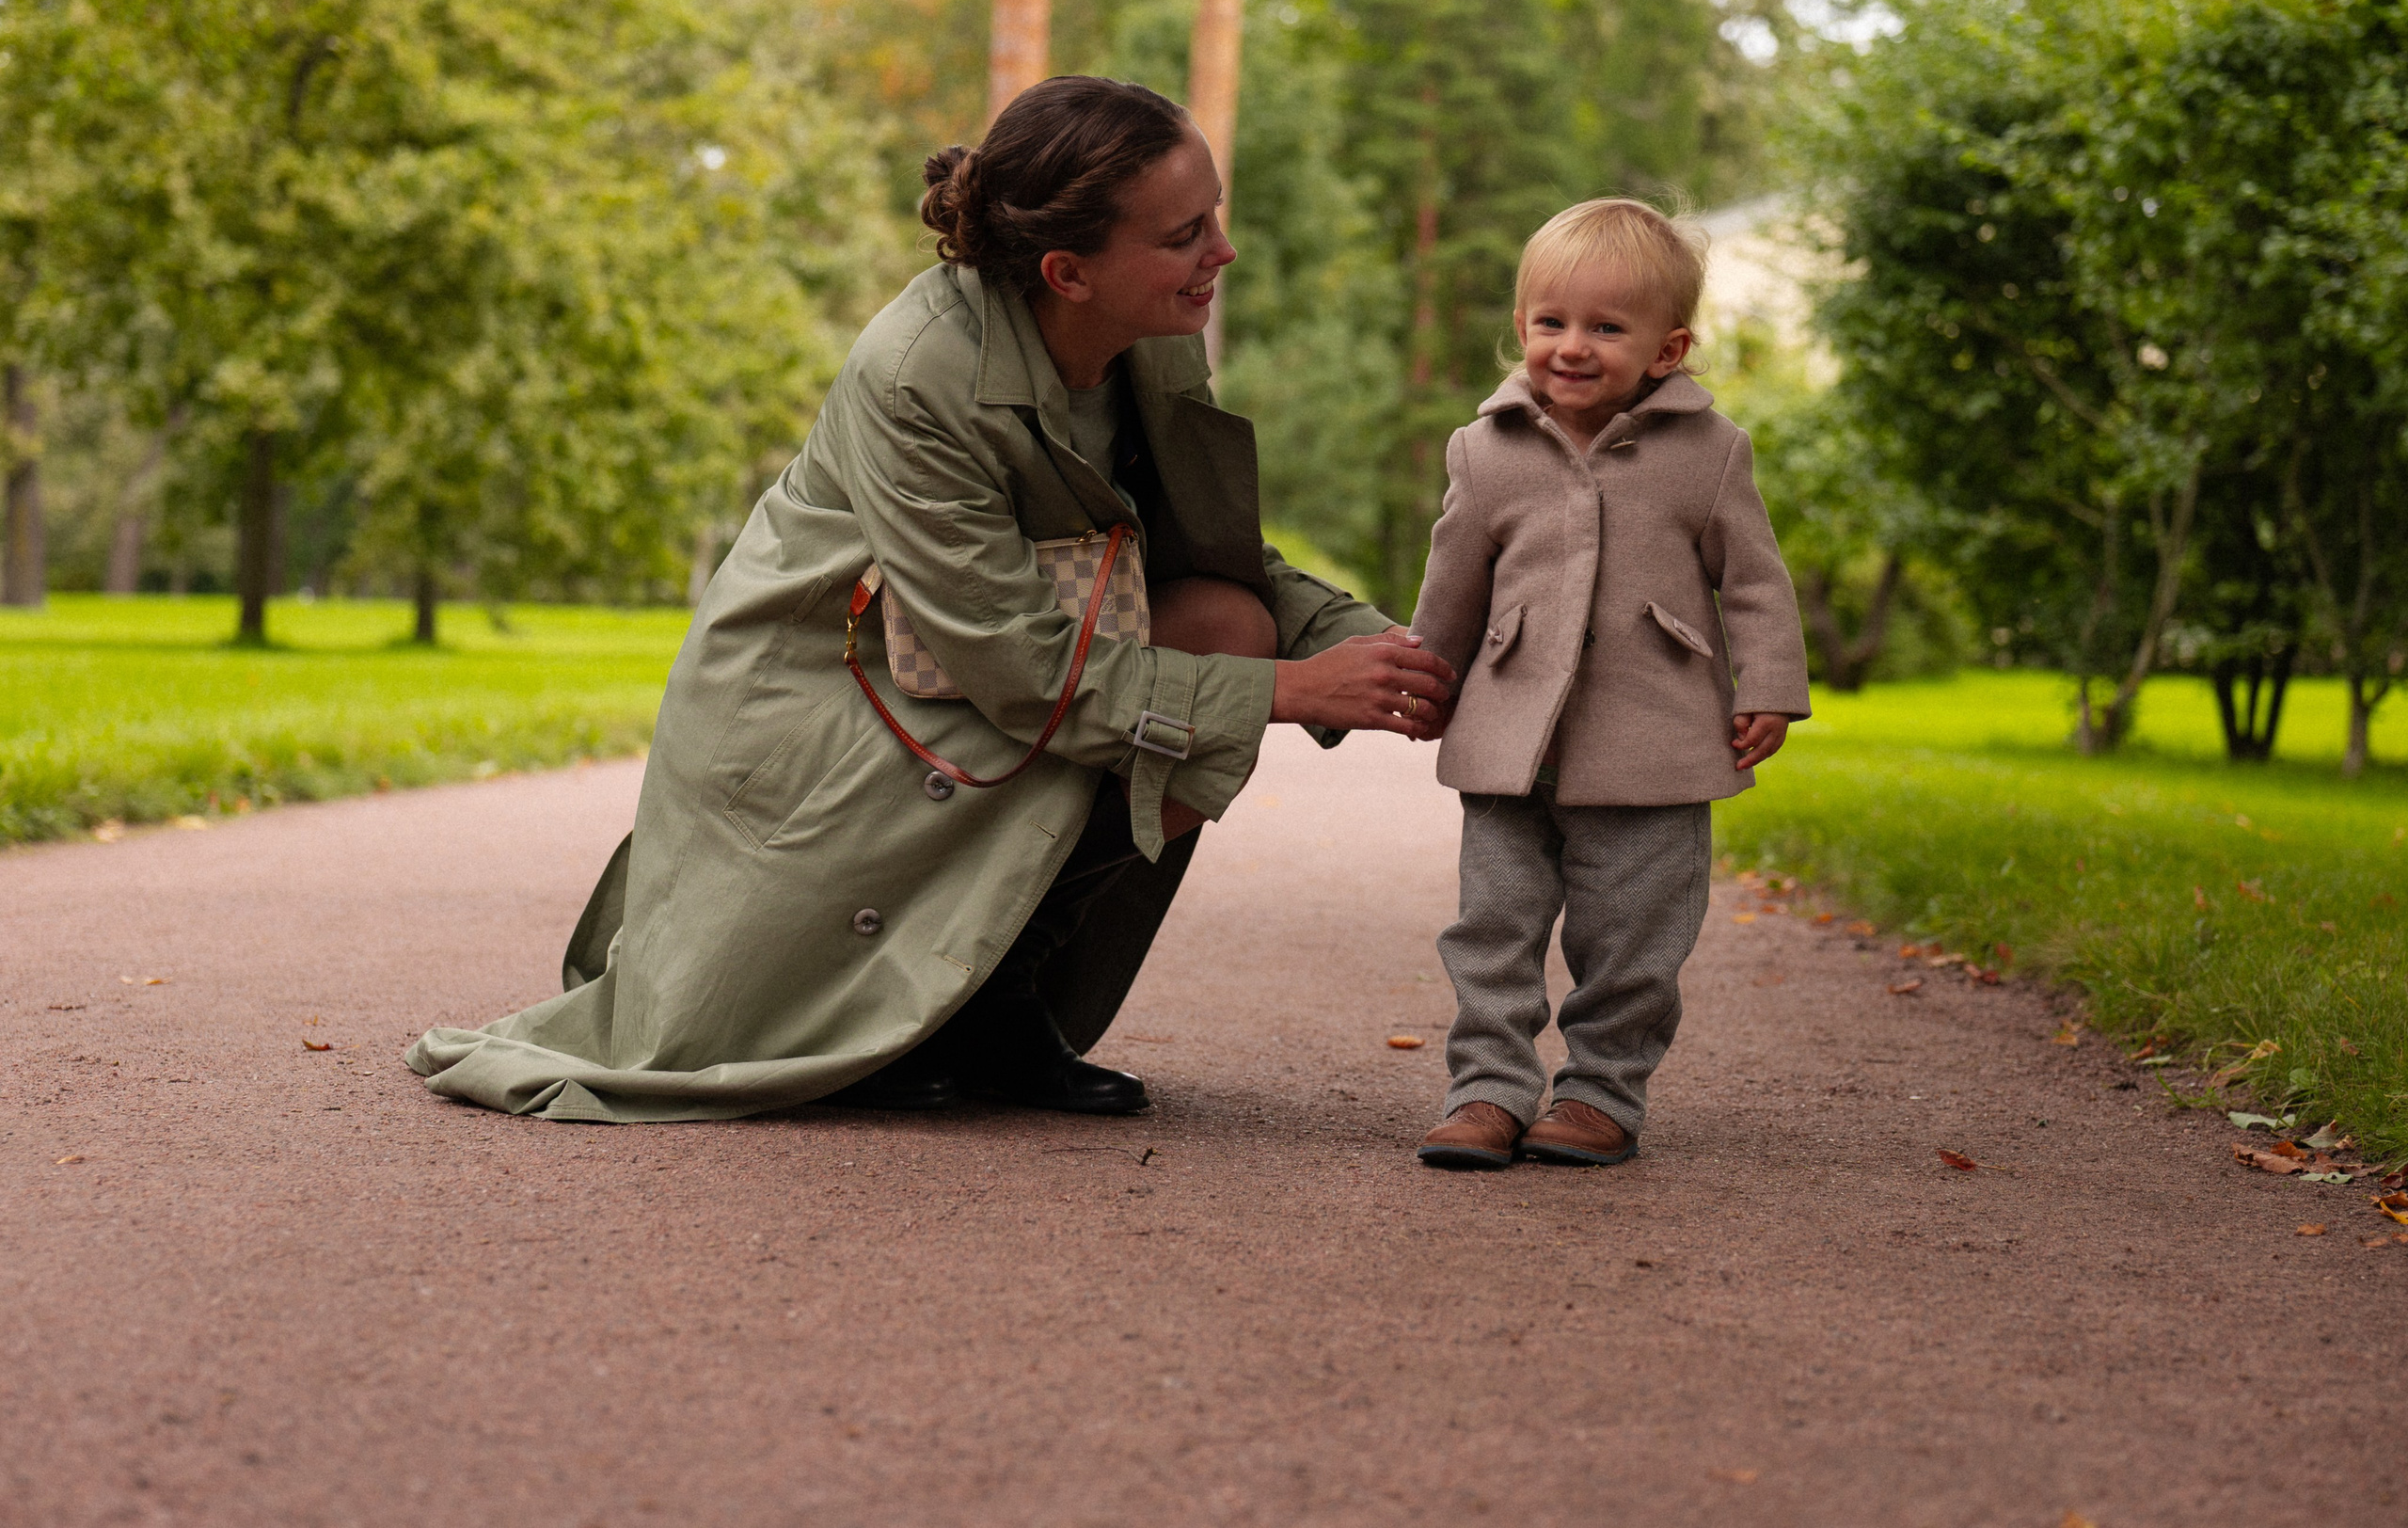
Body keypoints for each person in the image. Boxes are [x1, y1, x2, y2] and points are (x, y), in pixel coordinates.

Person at [405, 76, 1455, 1122]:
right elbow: (1022, 667)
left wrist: (1388, 653)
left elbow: (1210, 551)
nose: (1220, 251)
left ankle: (994, 1001)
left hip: (973, 673)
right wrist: (1288, 692)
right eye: (1186, 233)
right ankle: (907, 1009)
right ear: (1066, 272)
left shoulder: (1151, 334)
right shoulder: (916, 375)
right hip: (832, 710)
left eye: (1213, 215)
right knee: (1224, 667)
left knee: (1226, 621)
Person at [1404, 198, 1812, 1170]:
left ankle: (1598, 1092)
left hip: (1655, 737)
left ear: (1666, 349)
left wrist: (1770, 685)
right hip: (1510, 738)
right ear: (1521, 329)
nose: (1571, 346)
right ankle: (1488, 1090)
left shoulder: (1709, 454)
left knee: (1632, 937)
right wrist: (1428, 675)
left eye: (1605, 327)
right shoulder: (1485, 449)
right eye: (1551, 322)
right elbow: (1452, 581)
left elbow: (1753, 578)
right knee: (1491, 925)